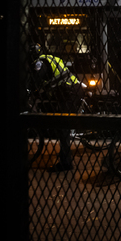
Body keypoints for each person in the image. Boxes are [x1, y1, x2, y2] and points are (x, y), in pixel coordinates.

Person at [28, 43, 84, 172]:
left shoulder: (40, 63)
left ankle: (66, 163)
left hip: (69, 92)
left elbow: (37, 79)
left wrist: (29, 88)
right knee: (61, 121)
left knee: (63, 127)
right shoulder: (50, 57)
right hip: (71, 89)